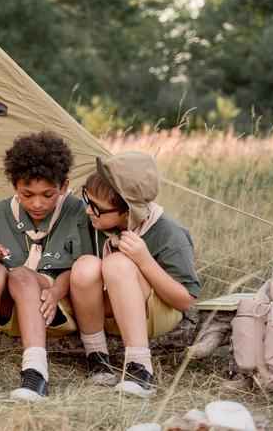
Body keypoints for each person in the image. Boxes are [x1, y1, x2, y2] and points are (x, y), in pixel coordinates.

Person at [0, 132, 94, 401]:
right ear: (14, 186)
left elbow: (82, 266)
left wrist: (56, 291)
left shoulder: (77, 212)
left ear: (65, 185)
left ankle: (35, 372)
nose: (37, 203)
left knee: (22, 274)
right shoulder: (0, 213)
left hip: (53, 306)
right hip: (9, 311)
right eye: (27, 194)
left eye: (48, 194)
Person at [69, 151, 201, 397]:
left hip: (156, 314)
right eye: (87, 200)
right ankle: (97, 358)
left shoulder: (168, 233)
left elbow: (185, 300)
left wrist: (145, 261)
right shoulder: (93, 223)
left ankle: (139, 369)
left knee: (118, 264)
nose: (88, 210)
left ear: (127, 212)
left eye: (97, 208)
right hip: (110, 316)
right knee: (85, 265)